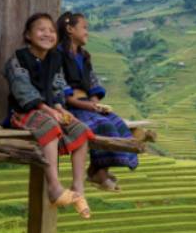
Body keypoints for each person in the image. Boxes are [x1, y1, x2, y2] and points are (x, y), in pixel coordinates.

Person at [3, 12, 93, 218]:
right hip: (23, 112)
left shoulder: (55, 59)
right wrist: (51, 111)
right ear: (28, 35)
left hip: (50, 109)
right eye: (41, 30)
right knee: (50, 125)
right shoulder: (18, 60)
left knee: (80, 129)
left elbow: (58, 88)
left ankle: (78, 187)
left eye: (51, 31)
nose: (47, 34)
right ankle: (54, 187)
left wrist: (61, 108)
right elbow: (24, 94)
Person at [56, 11, 138, 192]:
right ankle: (98, 173)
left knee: (118, 123)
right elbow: (62, 92)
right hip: (69, 107)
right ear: (70, 29)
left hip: (87, 105)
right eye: (84, 28)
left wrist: (96, 104)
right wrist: (90, 106)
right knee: (103, 125)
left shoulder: (84, 57)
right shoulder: (57, 56)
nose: (87, 32)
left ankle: (97, 169)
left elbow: (93, 85)